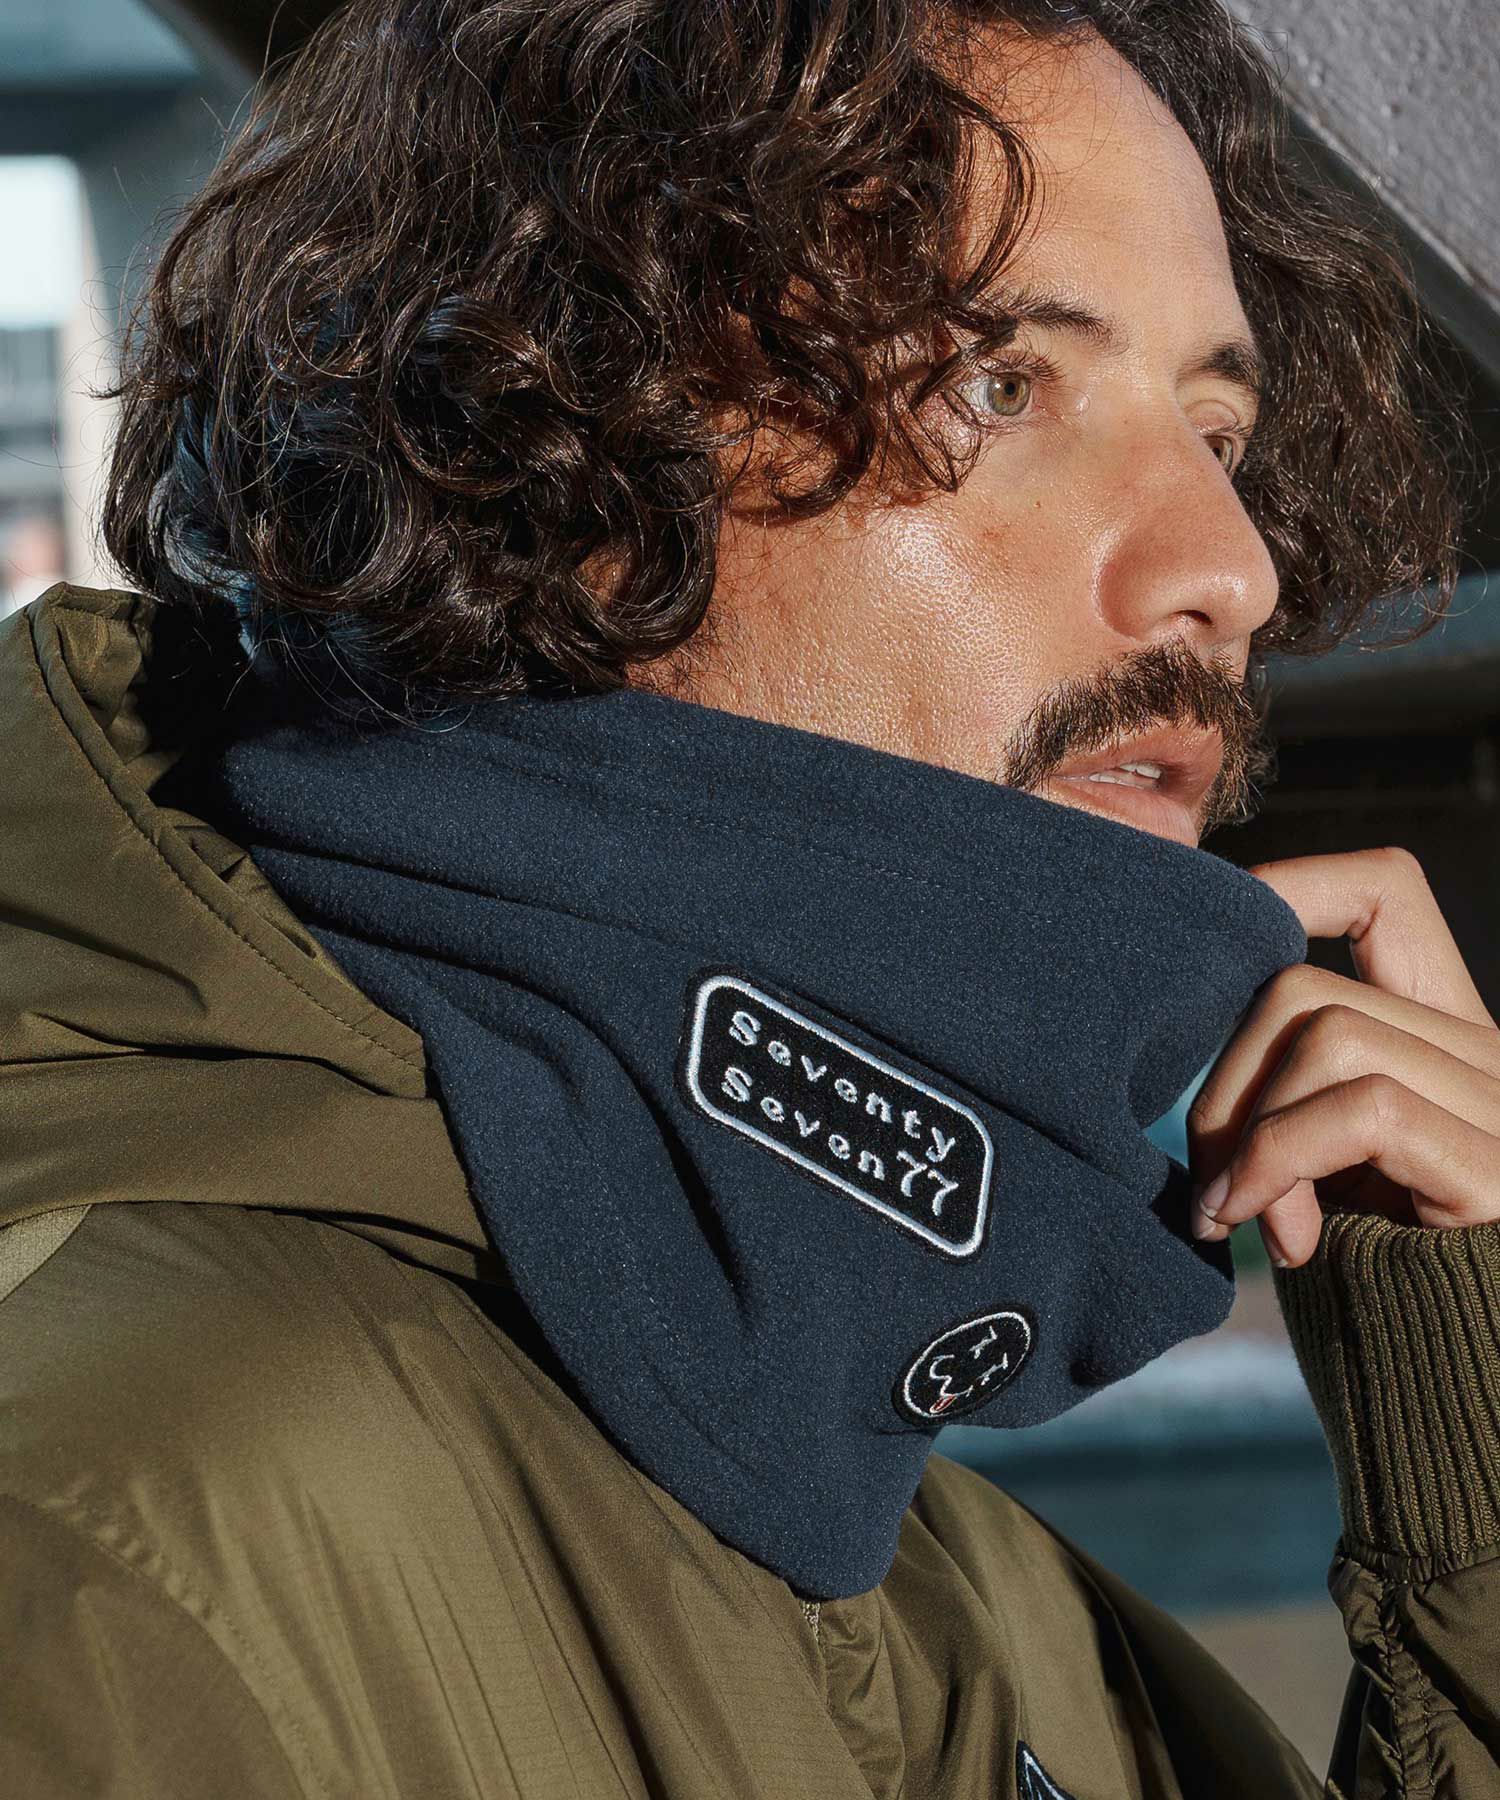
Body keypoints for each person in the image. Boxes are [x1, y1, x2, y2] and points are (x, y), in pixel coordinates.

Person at [3, 1, 1497, 1795]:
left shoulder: (907, 1559)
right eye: (996, 385)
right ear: (542, 451)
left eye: (1220, 430)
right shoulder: (104, 1558)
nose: (1229, 570)